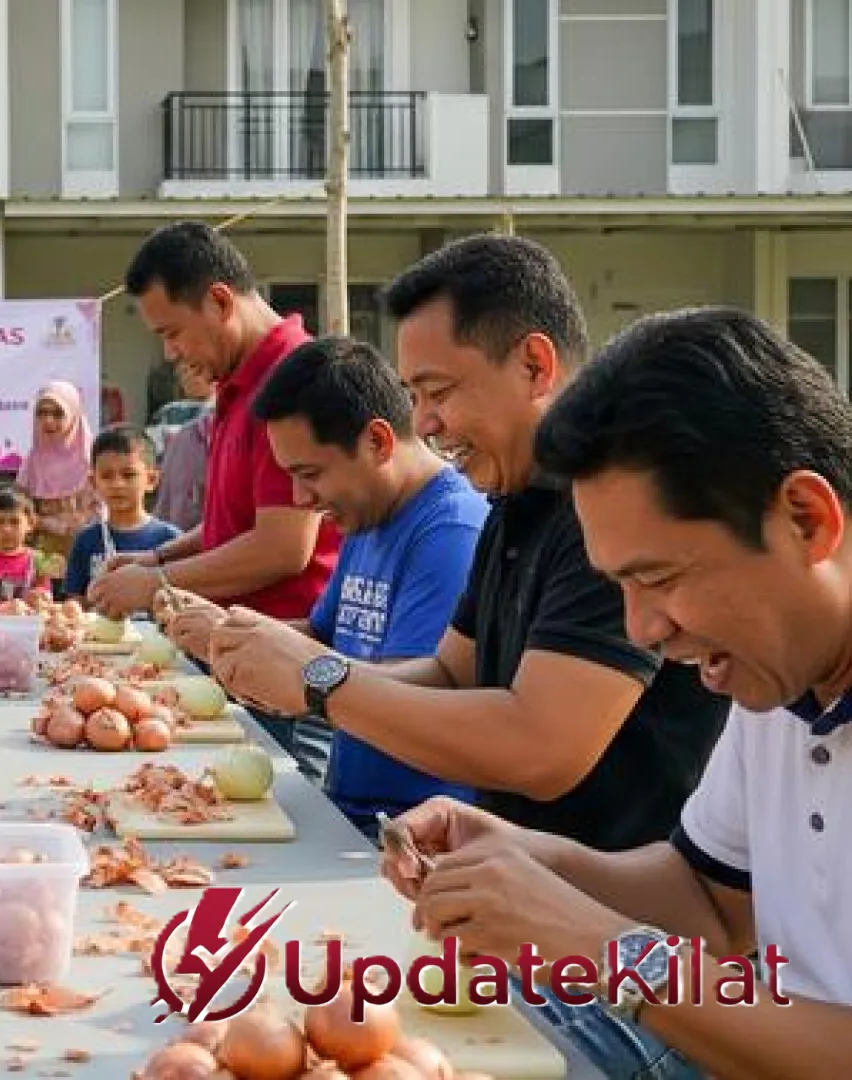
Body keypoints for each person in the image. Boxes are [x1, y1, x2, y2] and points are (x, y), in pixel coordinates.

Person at [198, 235, 729, 1075]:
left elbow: (544, 749)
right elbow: (453, 671)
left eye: (439, 392)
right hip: (522, 916)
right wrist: (300, 675)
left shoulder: (608, 513)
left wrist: (324, 681)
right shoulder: (512, 501)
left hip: (612, 966)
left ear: (535, 365)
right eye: (415, 395)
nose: (428, 424)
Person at [388, 306, 852, 1079]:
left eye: (659, 578)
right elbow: (710, 902)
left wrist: (605, 950)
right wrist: (528, 861)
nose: (643, 630)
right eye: (620, 587)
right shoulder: (779, 674)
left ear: (806, 520)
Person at [171, 336, 486, 839]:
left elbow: (425, 688)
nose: (301, 498)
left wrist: (299, 676)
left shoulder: (450, 530)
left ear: (377, 442)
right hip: (349, 809)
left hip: (417, 830)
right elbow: (323, 637)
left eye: (310, 474)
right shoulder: (366, 516)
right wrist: (231, 634)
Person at [88, 221, 339, 626]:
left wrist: (157, 581)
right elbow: (234, 523)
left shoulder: (295, 378)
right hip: (233, 638)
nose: (170, 353)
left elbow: (283, 547)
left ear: (220, 302)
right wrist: (157, 558)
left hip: (286, 642)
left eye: (173, 333)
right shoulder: (235, 380)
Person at [64, 427, 181, 599]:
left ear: (151, 480)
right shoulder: (86, 540)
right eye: (106, 476)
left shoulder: (171, 539)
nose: (117, 484)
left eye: (128, 475)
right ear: (93, 483)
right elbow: (75, 601)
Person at [16, 380, 95, 559]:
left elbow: (103, 515)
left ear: (73, 415)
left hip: (86, 554)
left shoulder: (93, 461)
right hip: (41, 559)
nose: (48, 421)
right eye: (42, 413)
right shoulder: (31, 463)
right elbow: (20, 510)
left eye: (58, 414)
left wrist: (51, 525)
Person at [152, 363, 214, 532]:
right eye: (183, 371)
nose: (186, 377)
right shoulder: (180, 427)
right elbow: (165, 498)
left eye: (193, 369)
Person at [0, 484, 59, 600]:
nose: (6, 529)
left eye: (14, 522)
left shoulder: (37, 561)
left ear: (30, 523)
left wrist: (40, 595)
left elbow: (45, 595)